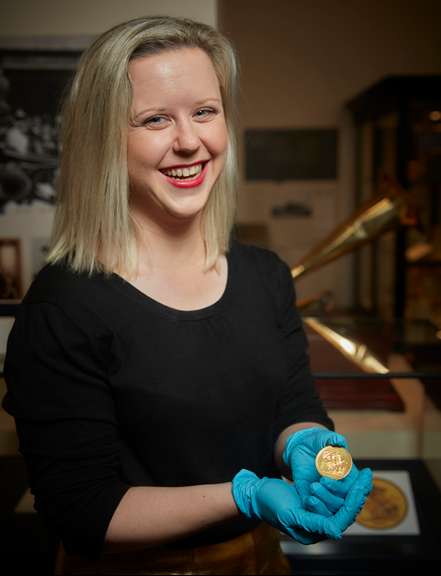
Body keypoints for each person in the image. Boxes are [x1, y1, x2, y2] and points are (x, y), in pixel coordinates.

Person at [2, 16, 372, 576]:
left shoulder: (265, 275)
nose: (189, 141)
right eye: (155, 119)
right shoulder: (63, 309)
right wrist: (245, 496)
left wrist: (314, 453)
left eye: (205, 111)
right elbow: (81, 508)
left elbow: (293, 408)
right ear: (105, 141)